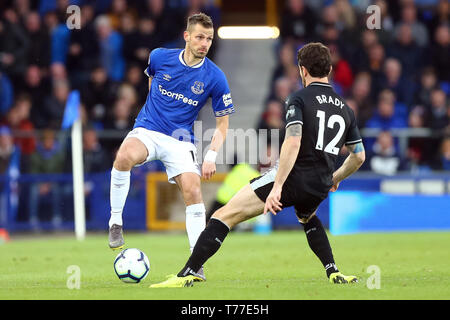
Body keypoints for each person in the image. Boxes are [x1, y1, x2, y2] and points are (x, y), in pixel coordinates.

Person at [150, 42, 366, 288]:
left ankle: (188, 273)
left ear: (303, 70)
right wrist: (335, 178)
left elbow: (292, 143)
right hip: (319, 184)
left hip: (292, 178)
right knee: (307, 217)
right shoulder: (346, 109)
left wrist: (278, 187)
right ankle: (334, 271)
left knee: (223, 215)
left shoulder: (299, 98)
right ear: (329, 69)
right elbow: (358, 156)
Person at [108, 13, 234, 282]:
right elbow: (152, 83)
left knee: (193, 189)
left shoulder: (215, 76)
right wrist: (149, 116)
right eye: (200, 37)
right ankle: (115, 221)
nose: (205, 43)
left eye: (209, 38)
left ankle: (196, 263)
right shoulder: (159, 57)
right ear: (187, 36)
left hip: (180, 139)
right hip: (149, 129)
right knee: (123, 156)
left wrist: (211, 156)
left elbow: (223, 124)